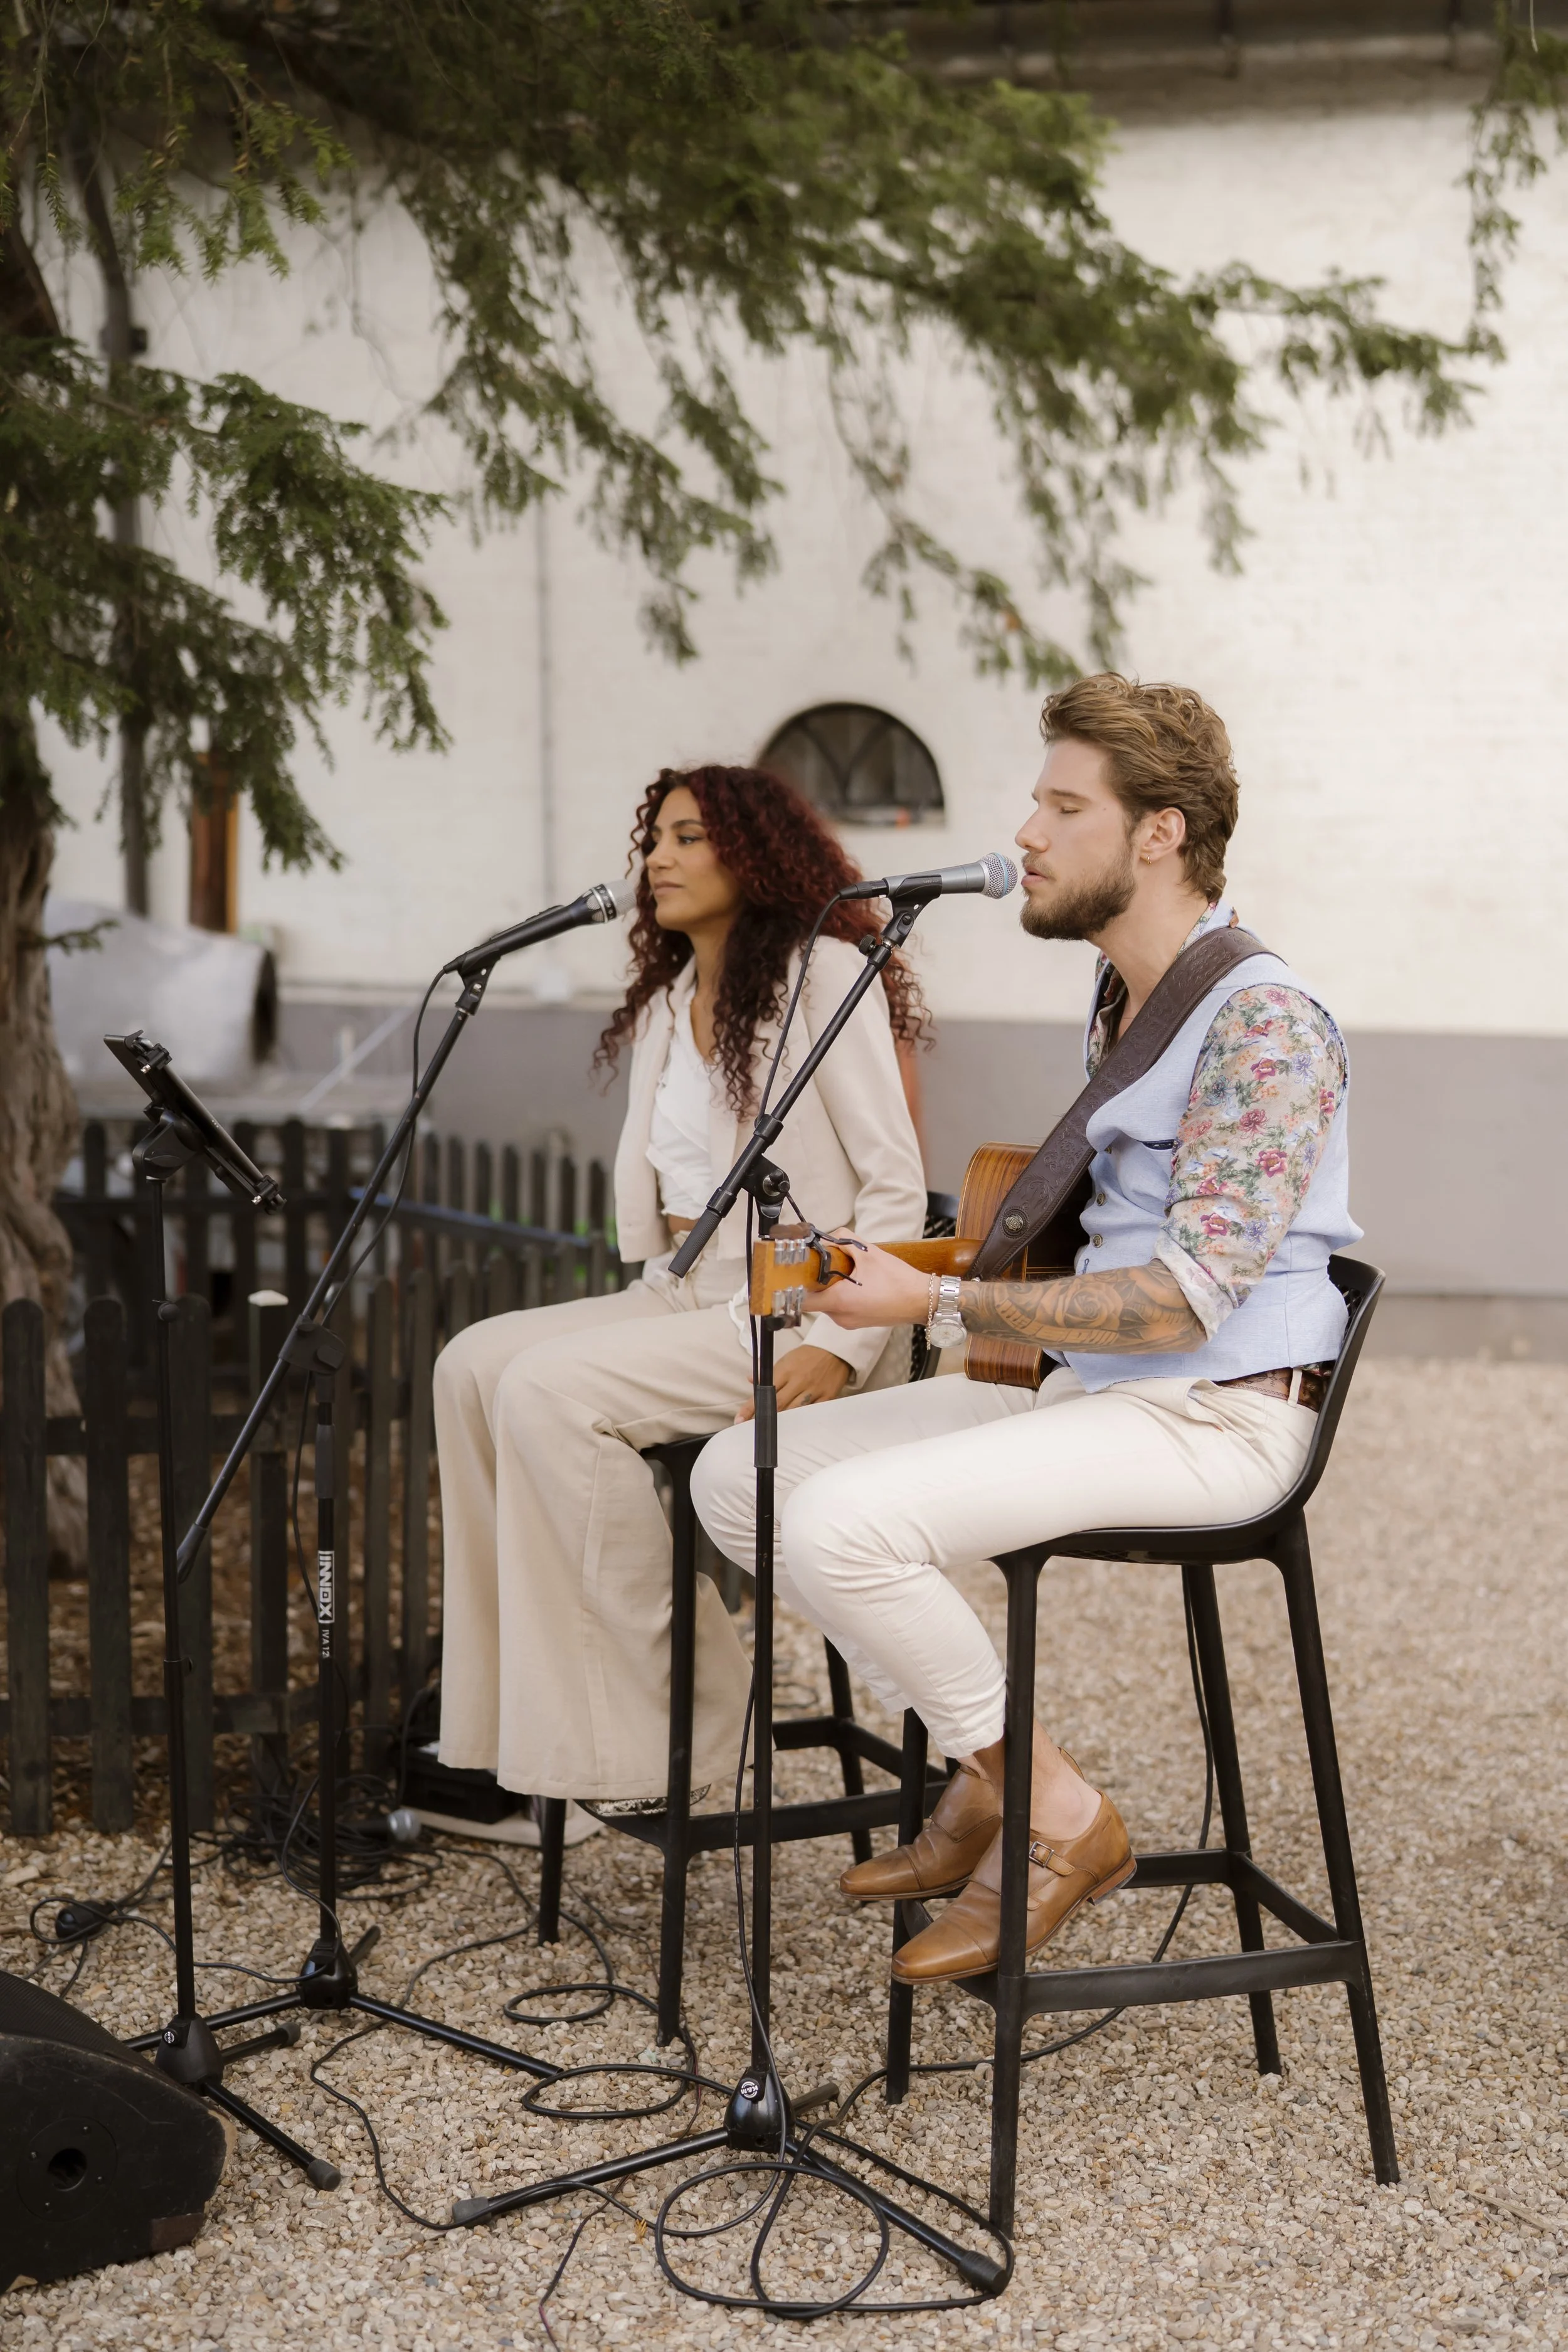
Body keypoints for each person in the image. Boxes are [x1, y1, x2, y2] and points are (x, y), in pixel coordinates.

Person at [692, 675, 1359, 1983]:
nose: (1028, 835)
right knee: (739, 1476)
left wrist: (935, 1300)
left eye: (1064, 806)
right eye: (1035, 801)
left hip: (1218, 1414)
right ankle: (1013, 1780)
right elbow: (1079, 1247)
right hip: (1101, 1395)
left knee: (842, 1526)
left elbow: (1181, 1296)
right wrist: (881, 1266)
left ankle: (1061, 1820)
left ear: (1156, 833)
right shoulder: (1124, 997)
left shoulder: (1264, 1023)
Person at [433, 765, 928, 1808]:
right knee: (470, 1364)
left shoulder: (823, 973)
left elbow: (894, 1181)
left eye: (688, 837)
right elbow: (663, 1201)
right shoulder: (668, 1003)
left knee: (549, 1392)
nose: (657, 859)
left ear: (755, 856)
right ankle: (509, 1728)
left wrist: (840, 1345)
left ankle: (701, 1697)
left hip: (796, 1307)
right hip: (684, 1289)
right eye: (654, 838)